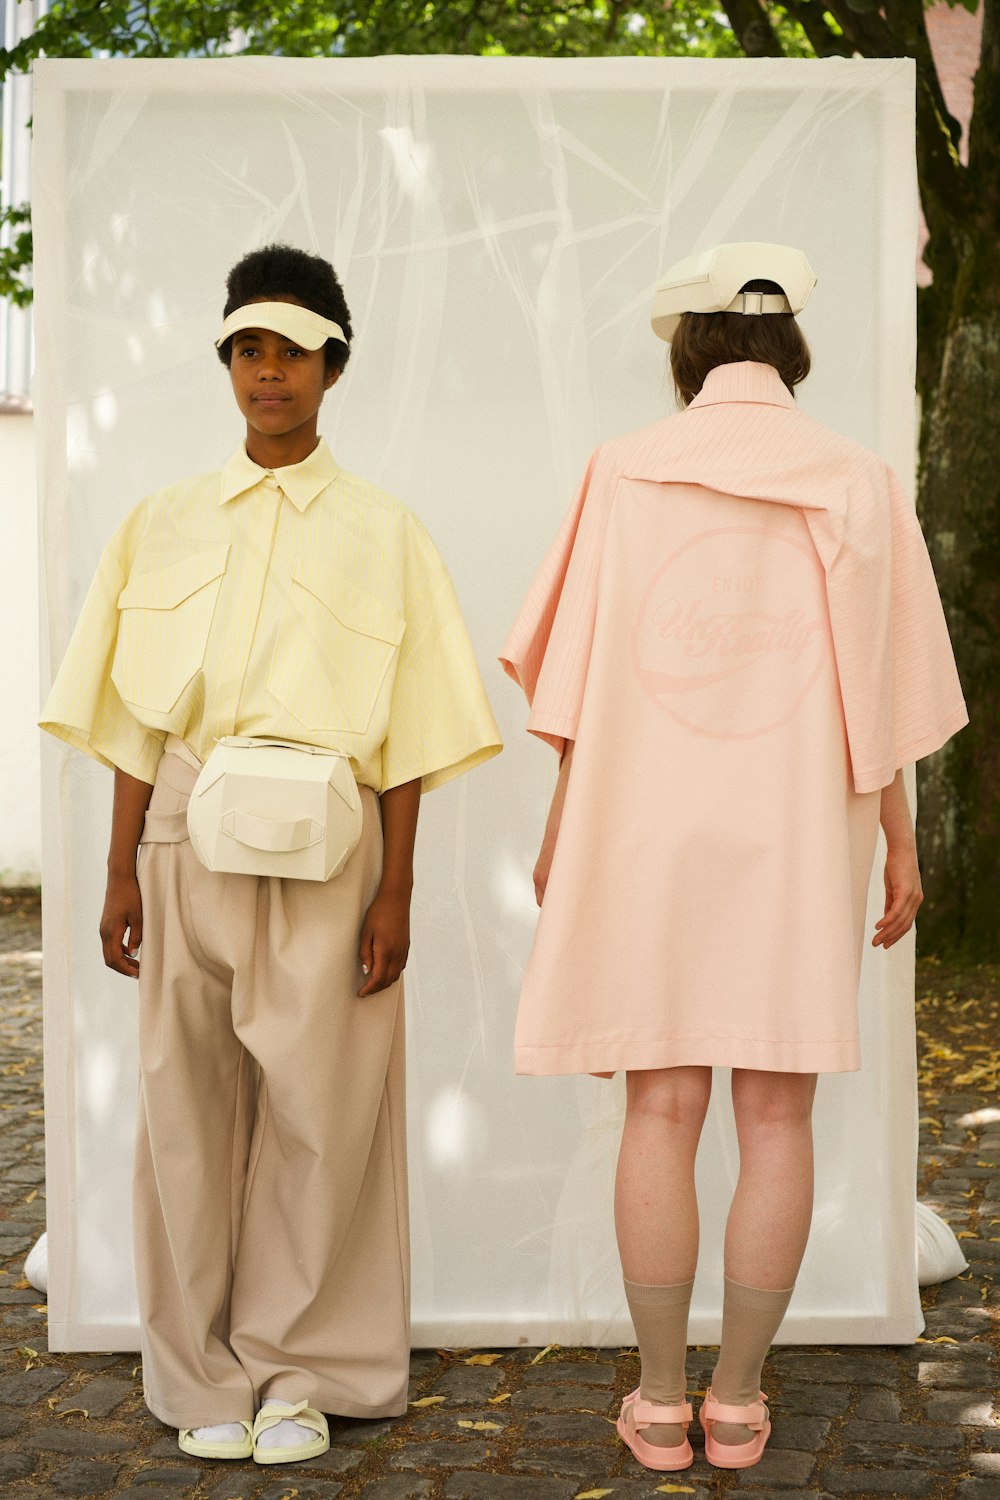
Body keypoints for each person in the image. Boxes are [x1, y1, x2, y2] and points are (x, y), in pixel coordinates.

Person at [499, 241, 967, 1473]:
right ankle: (743, 1399)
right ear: (789, 351)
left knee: (657, 1104)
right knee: (776, 1111)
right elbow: (893, 687)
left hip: (640, 822)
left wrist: (563, 825)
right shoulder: (858, 481)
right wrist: (897, 842)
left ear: (688, 350)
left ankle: (658, 1401)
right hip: (799, 827)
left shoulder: (622, 470)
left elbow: (578, 676)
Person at [40, 243, 502, 1465]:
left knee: (321, 1113)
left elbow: (414, 733)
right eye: (248, 347)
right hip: (188, 833)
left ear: (332, 365)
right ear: (228, 361)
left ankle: (300, 1372)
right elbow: (134, 714)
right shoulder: (163, 520)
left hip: (330, 844)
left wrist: (396, 889)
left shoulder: (388, 533)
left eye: (292, 348)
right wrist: (115, 865)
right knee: (182, 1111)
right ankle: (198, 1373)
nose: (268, 371)